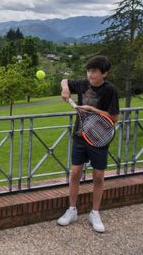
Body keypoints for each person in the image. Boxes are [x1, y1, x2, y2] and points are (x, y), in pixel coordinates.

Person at [57, 55, 120, 233]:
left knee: (98, 176)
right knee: (75, 173)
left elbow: (114, 117)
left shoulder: (110, 91)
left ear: (104, 73)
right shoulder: (83, 84)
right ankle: (72, 210)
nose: (90, 74)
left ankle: (95, 213)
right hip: (79, 136)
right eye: (89, 71)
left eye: (94, 71)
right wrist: (65, 89)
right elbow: (65, 80)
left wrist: (93, 110)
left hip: (99, 139)